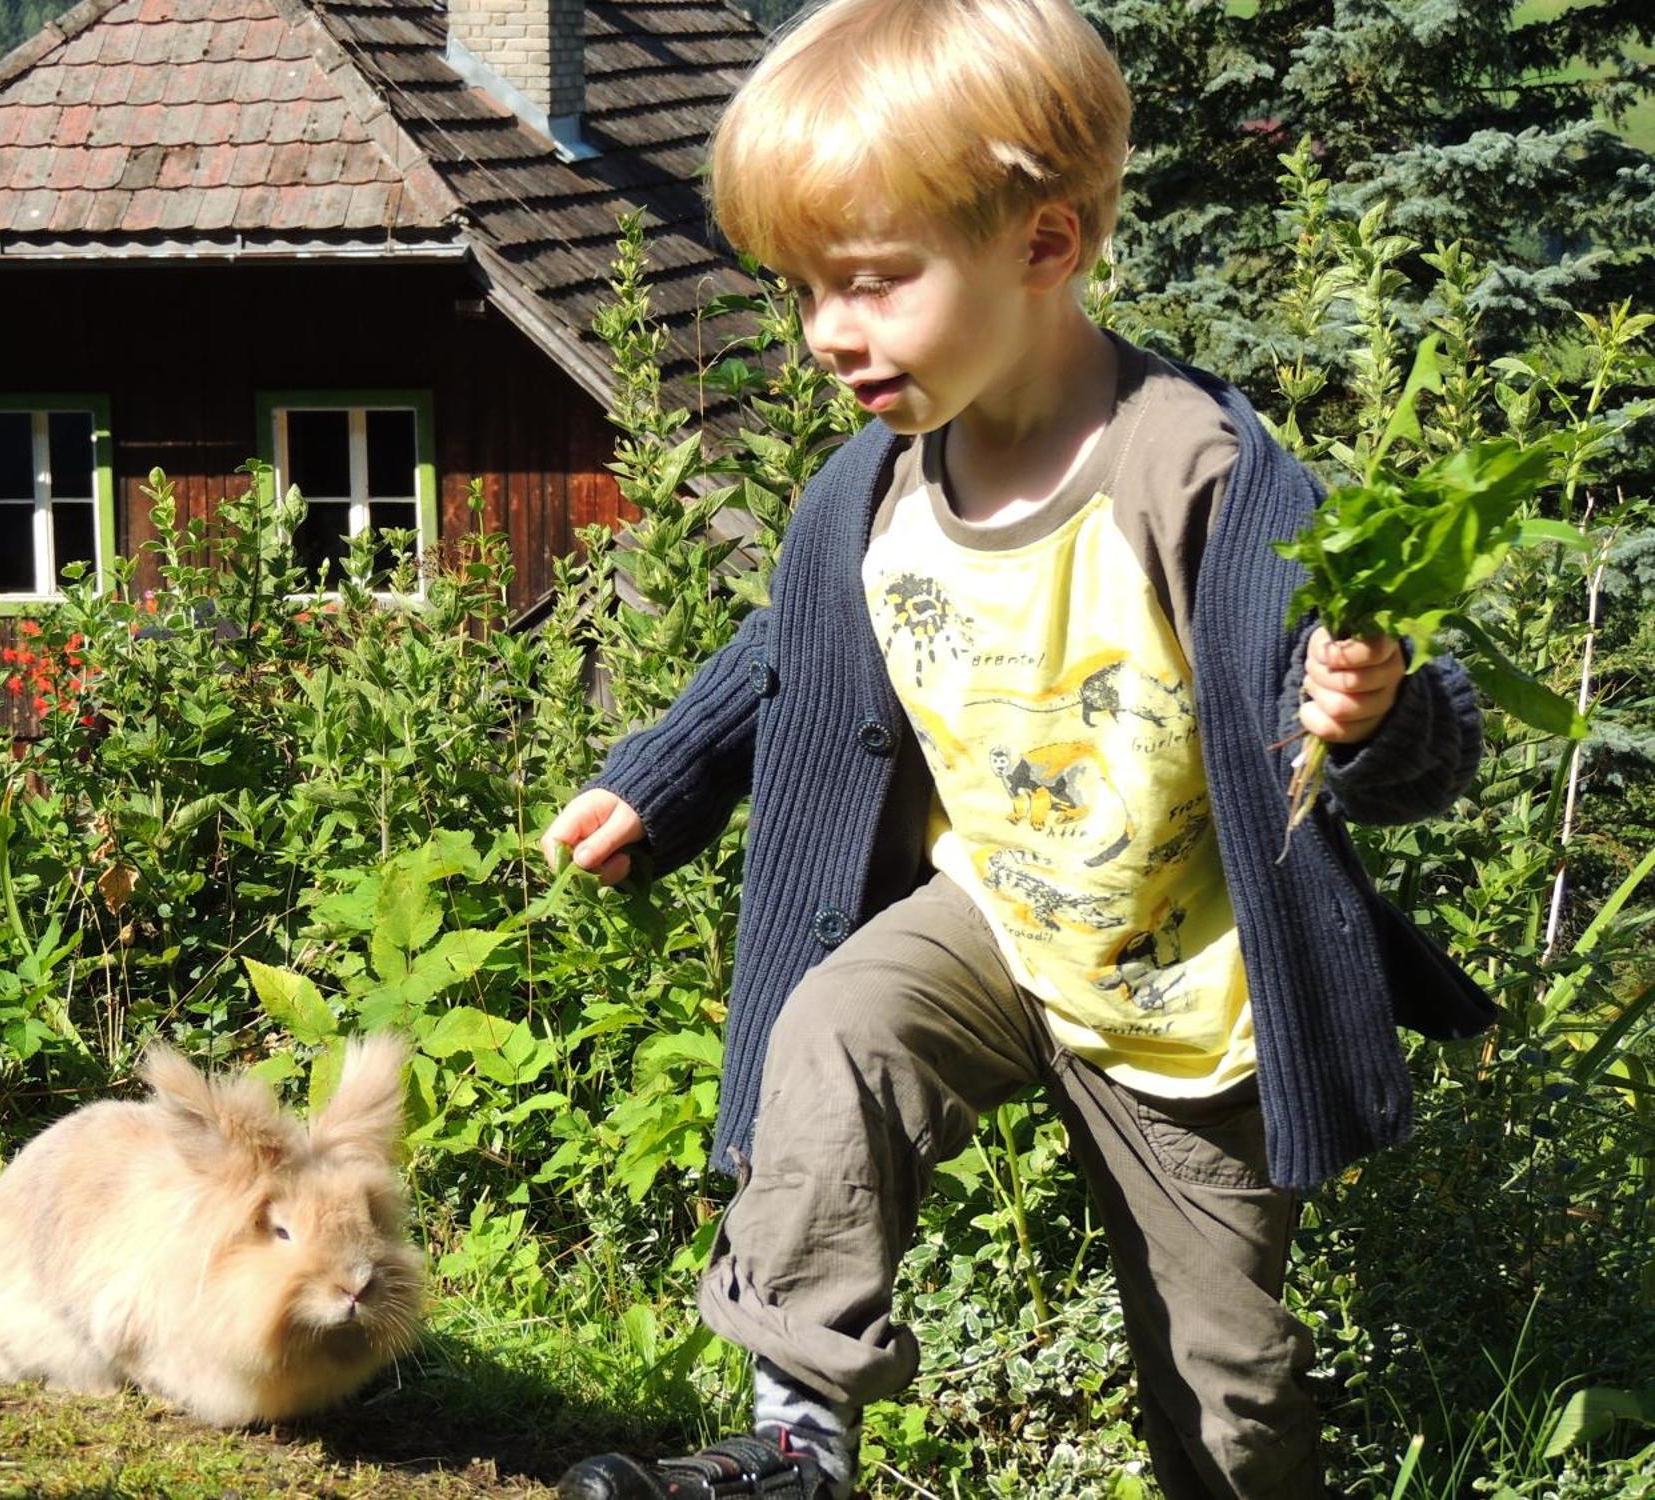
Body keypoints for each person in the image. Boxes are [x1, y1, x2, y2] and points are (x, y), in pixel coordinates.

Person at [540, 1, 1495, 1495]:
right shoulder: (877, 485)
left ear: (1044, 246)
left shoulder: (1202, 473)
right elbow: (798, 642)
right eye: (808, 292)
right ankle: (798, 1437)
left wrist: (1371, 713)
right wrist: (659, 782)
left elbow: (1405, 729)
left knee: (1227, 1388)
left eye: (869, 285)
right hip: (995, 913)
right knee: (838, 1029)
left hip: (1194, 995)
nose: (828, 335)